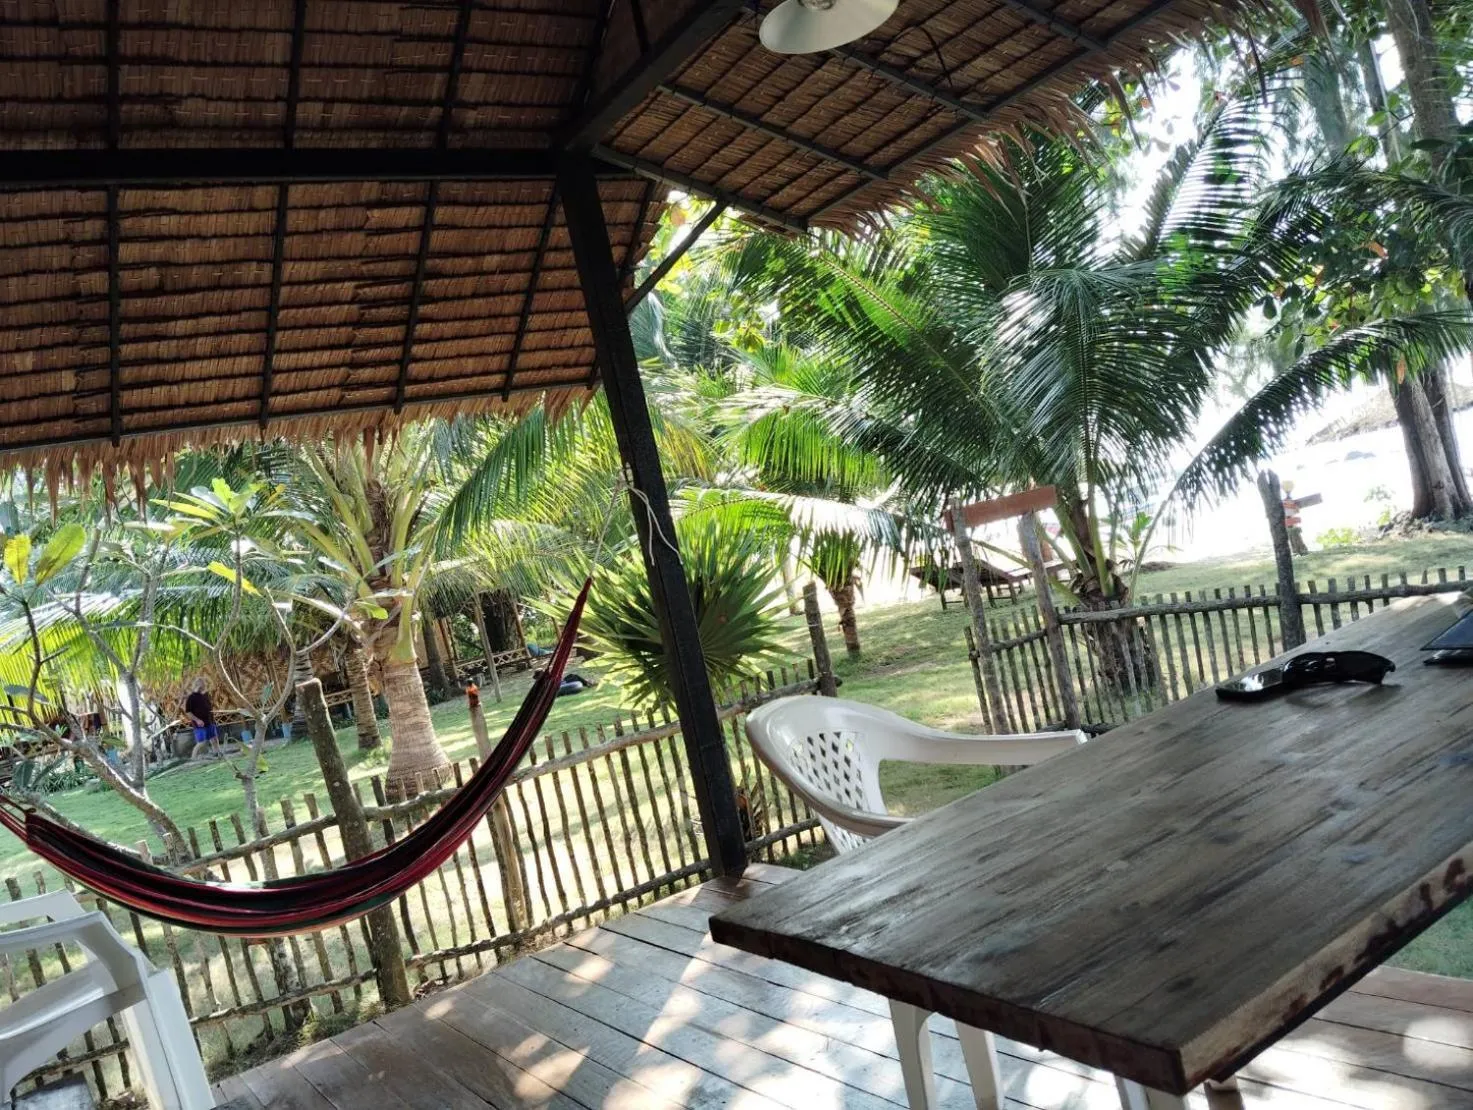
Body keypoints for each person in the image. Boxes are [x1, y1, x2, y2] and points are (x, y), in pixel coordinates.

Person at [183, 677, 219, 758]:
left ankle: (217, 754)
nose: (204, 685)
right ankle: (193, 759)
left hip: (209, 722)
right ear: (197, 685)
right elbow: (188, 712)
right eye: (202, 684)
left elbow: (209, 709)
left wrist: (213, 721)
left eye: (204, 684)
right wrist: (197, 720)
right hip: (199, 724)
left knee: (214, 739)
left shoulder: (205, 695)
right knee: (201, 743)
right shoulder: (191, 698)